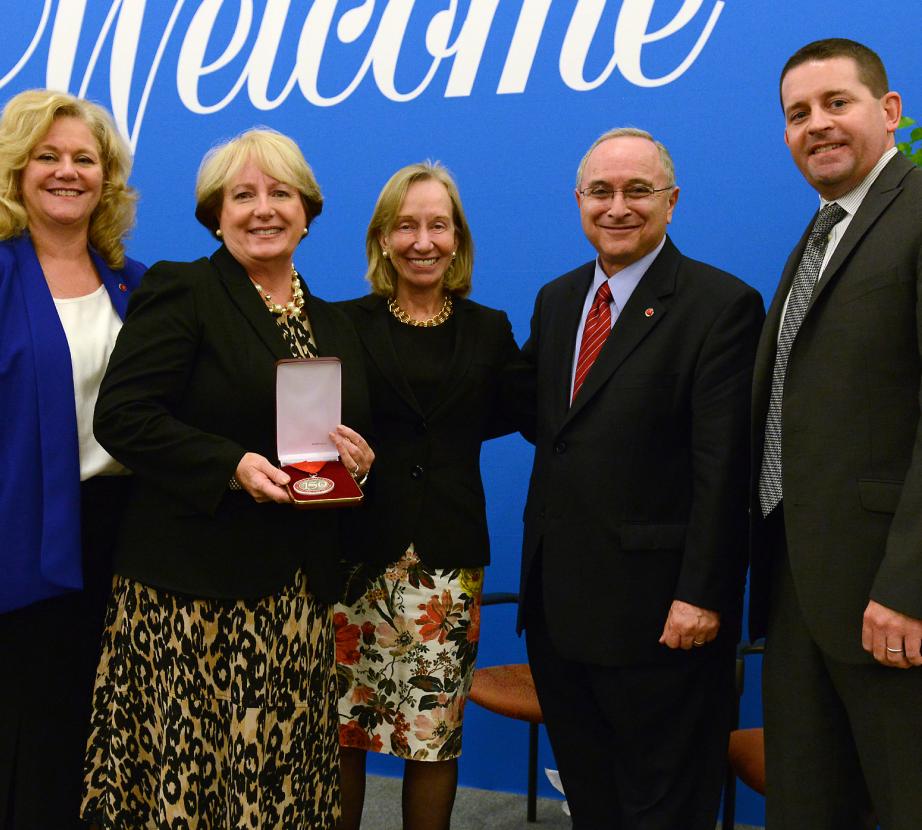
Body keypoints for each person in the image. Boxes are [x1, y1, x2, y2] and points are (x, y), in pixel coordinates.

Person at [80, 128, 374, 829]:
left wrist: (359, 460)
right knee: (189, 790)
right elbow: (121, 417)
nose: (263, 208)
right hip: (190, 601)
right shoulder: (183, 290)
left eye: (280, 193)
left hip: (295, 599)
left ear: (308, 211)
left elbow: (332, 439)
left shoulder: (335, 323)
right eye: (243, 195)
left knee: (278, 788)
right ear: (216, 214)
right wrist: (230, 466)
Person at [518, 128, 764, 828]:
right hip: (562, 613)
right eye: (600, 191)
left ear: (672, 201)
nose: (617, 206)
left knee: (661, 806)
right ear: (578, 201)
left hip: (662, 620)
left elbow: (725, 466)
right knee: (592, 802)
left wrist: (703, 595)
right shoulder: (559, 299)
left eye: (637, 190)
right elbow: (549, 423)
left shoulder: (721, 305)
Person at [750, 38, 922, 830]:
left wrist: (908, 587)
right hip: (800, 589)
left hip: (891, 601)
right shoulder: (821, 233)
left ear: (890, 112)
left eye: (835, 103)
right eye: (797, 114)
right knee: (810, 805)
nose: (815, 125)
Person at [333, 161, 527, 830]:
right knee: (341, 730)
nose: (423, 240)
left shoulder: (490, 330)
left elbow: (522, 412)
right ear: (382, 238)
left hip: (447, 567)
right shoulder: (342, 325)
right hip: (354, 561)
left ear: (458, 238)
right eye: (406, 225)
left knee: (433, 734)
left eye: (437, 225)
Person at [0, 89, 144, 830]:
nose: (67, 172)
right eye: (47, 157)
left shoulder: (136, 283)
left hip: (120, 534)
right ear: (18, 171)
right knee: (30, 726)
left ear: (107, 177)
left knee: (101, 728)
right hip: (20, 533)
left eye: (84, 159)